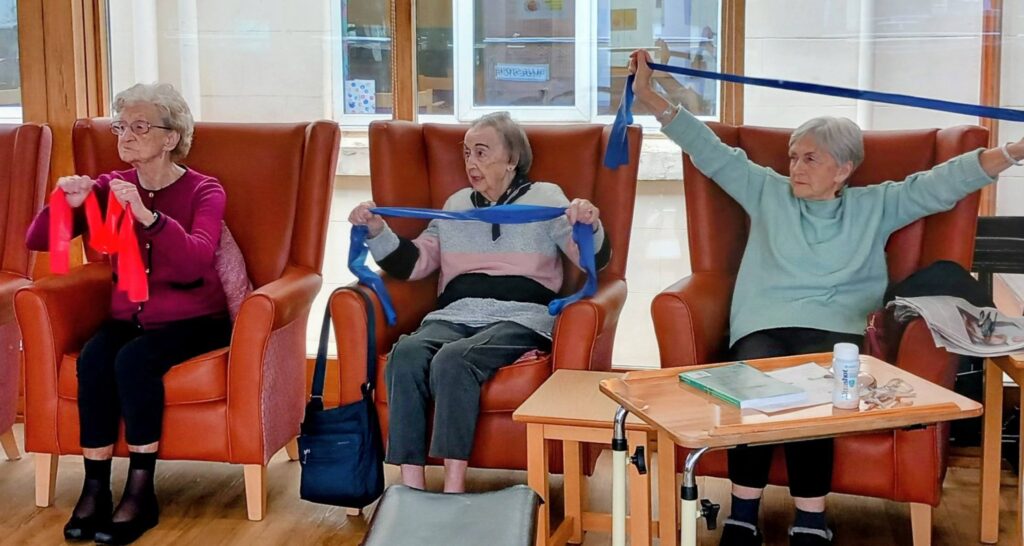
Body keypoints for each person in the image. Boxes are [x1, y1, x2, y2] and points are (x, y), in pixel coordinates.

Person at [628, 48, 1024, 546]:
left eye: (810, 158)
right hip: (763, 326)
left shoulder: (875, 205)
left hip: (836, 330)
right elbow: (709, 150)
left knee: (815, 392)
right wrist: (650, 97)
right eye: (794, 156)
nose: (795, 166)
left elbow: (944, 183)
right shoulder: (766, 191)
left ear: (844, 169)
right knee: (752, 386)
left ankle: (811, 517)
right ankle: (743, 510)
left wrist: (1015, 150)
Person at [348, 111, 612, 493]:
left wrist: (589, 224)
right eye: (468, 153)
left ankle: (454, 486)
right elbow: (415, 262)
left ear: (512, 159)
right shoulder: (456, 204)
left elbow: (590, 260)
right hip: (457, 311)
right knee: (407, 353)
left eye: (482, 152)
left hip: (522, 316)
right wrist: (376, 230)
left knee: (454, 359)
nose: (471, 162)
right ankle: (411, 489)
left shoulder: (548, 198)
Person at [26, 83, 231, 544]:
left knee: (133, 361)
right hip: (129, 317)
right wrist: (64, 201)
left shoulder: (204, 189)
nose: (126, 136)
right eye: (122, 126)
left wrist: (149, 218)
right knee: (95, 359)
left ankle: (141, 491)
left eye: (140, 127)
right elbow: (42, 241)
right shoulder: (107, 186)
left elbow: (197, 259)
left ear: (171, 137)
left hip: (195, 320)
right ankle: (95, 488)